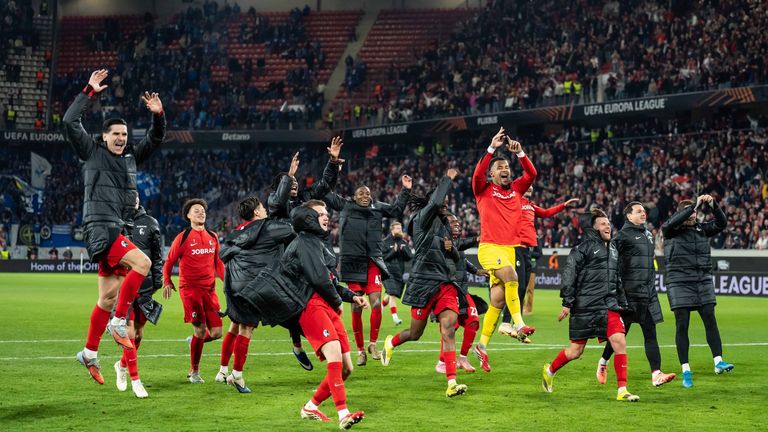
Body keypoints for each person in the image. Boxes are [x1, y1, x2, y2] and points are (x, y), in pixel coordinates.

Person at [65, 69, 165, 385]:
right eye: (115, 134)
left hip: (116, 228)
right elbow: (69, 122)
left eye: (124, 134)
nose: (120, 138)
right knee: (144, 262)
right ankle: (119, 322)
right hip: (100, 227)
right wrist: (89, 91)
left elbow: (156, 138)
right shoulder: (91, 152)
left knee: (106, 298)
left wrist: (159, 116)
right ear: (104, 137)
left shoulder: (131, 158)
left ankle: (89, 352)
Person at [233, 201, 367, 429]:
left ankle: (310, 407)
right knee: (334, 355)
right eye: (321, 214)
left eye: (327, 213)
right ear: (308, 218)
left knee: (347, 368)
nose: (326, 217)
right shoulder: (304, 242)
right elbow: (317, 279)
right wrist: (337, 301)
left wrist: (351, 296)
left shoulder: (318, 243)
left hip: (326, 305)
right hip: (310, 306)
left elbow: (331, 281)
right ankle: (343, 414)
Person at [381, 169, 469, 398]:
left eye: (448, 203)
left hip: (444, 283)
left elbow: (455, 257)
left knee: (448, 329)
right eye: (443, 202)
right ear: (434, 202)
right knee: (415, 333)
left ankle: (451, 383)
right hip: (422, 282)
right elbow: (437, 200)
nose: (446, 206)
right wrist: (447, 178)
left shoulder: (445, 226)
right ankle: (391, 342)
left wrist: (453, 252)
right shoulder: (422, 219)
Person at [541, 209, 640, 402]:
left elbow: (616, 277)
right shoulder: (582, 249)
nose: (608, 226)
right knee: (575, 352)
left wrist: (622, 301)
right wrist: (567, 303)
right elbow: (569, 275)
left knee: (619, 340)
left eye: (608, 223)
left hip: (608, 304)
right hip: (584, 305)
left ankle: (622, 390)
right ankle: (550, 370)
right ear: (594, 228)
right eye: (603, 224)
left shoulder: (613, 249)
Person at [267, 138, 344, 369]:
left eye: (294, 182)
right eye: (287, 183)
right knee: (294, 306)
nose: (293, 185)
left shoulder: (303, 203)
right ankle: (300, 345)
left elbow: (324, 186)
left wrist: (332, 162)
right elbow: (278, 201)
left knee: (309, 302)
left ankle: (317, 343)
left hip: (307, 258)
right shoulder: (275, 203)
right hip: (284, 261)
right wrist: (288, 175)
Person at [325, 175, 411, 366]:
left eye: (368, 193)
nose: (366, 195)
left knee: (376, 303)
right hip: (352, 263)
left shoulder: (377, 208)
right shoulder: (345, 206)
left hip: (372, 261)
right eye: (361, 193)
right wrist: (333, 165)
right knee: (356, 305)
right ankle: (361, 350)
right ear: (354, 197)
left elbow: (397, 209)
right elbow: (325, 193)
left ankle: (373, 344)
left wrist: (405, 189)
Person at [472, 127, 537, 373]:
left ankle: (482, 346)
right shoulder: (483, 189)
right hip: (489, 248)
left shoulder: (517, 191)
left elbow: (532, 172)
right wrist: (491, 148)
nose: (505, 170)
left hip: (509, 250)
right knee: (511, 276)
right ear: (491, 174)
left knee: (497, 301)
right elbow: (478, 173)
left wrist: (520, 153)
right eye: (499, 168)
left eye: (507, 167)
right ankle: (518, 323)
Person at [216, 195, 295, 392]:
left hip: (234, 286)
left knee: (234, 326)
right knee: (246, 330)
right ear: (257, 212)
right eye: (262, 208)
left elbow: (224, 255)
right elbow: (290, 229)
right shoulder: (267, 228)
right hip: (253, 286)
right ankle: (237, 376)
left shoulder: (236, 232)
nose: (266, 211)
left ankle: (222, 371)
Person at [597, 202, 676, 387]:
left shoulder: (648, 235)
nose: (643, 213)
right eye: (639, 211)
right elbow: (611, 263)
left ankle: (656, 374)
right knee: (620, 334)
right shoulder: (622, 237)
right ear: (629, 216)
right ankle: (603, 362)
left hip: (647, 295)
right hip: (628, 295)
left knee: (650, 333)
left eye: (644, 211)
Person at [662, 195, 733, 388]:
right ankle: (686, 369)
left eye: (695, 212)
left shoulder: (702, 229)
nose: (694, 215)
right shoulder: (671, 231)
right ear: (683, 213)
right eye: (691, 212)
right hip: (678, 282)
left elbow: (722, 223)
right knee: (682, 324)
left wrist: (713, 205)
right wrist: (693, 204)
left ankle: (718, 362)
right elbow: (669, 224)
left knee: (710, 318)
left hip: (702, 281)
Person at [498, 187, 577, 339]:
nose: (529, 188)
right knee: (518, 286)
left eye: (531, 187)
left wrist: (563, 205)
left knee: (523, 288)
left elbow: (546, 213)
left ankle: (517, 323)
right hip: (516, 248)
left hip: (527, 250)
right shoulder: (512, 201)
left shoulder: (531, 205)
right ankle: (506, 321)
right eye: (526, 186)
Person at [163, 198, 225, 383]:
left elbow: (218, 264)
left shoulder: (213, 237)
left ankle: (194, 343)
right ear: (188, 216)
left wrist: (227, 282)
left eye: (203, 210)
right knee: (200, 330)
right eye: (196, 210)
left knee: (216, 333)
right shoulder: (183, 237)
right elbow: (169, 261)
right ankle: (194, 372)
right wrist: (167, 281)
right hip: (190, 290)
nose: (201, 213)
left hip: (210, 290)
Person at [114, 197, 163, 398]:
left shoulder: (150, 223)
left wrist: (157, 279)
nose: (131, 200)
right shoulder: (115, 223)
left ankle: (121, 365)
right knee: (129, 333)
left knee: (139, 335)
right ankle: (136, 381)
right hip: (123, 286)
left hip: (145, 286)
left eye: (134, 197)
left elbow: (157, 255)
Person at [434, 212, 488, 374]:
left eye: (458, 222)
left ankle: (463, 357)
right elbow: (457, 248)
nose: (457, 224)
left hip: (462, 290)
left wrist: (476, 271)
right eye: (452, 222)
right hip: (447, 290)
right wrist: (475, 239)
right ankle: (441, 362)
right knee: (452, 326)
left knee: (473, 321)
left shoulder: (456, 243)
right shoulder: (443, 241)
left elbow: (461, 260)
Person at [381, 221, 412, 325]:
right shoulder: (385, 242)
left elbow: (409, 257)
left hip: (399, 273)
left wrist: (403, 250)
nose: (400, 230)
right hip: (387, 272)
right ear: (392, 230)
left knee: (390, 294)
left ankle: (380, 307)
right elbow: (383, 258)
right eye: (398, 228)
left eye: (401, 228)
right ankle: (395, 318)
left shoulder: (403, 242)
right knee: (392, 294)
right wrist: (393, 251)